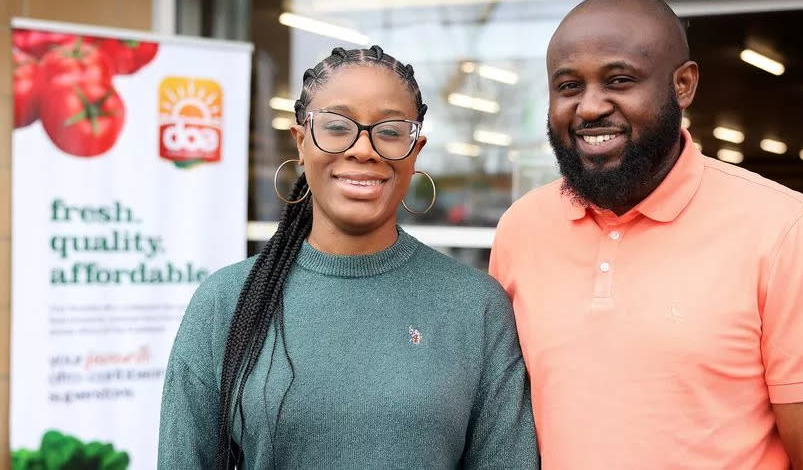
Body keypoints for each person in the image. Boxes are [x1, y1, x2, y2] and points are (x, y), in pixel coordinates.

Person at [158, 46, 539, 469]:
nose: (363, 149)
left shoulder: (475, 307)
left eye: (391, 131)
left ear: (416, 152)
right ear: (301, 142)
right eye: (337, 126)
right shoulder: (226, 302)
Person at [490, 0, 803, 469]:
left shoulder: (783, 229)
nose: (590, 107)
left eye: (619, 79)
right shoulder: (521, 228)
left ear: (682, 85)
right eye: (569, 86)